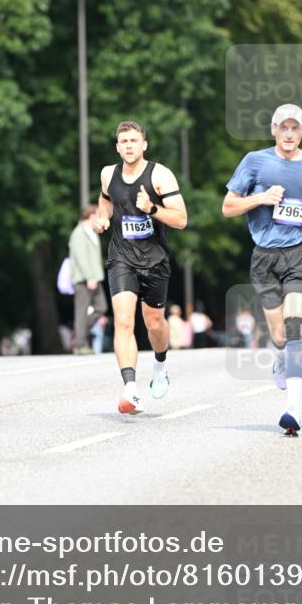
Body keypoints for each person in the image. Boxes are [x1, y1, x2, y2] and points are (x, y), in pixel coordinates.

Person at [222, 104, 302, 436]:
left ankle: (293, 409)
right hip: (265, 256)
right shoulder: (255, 161)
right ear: (273, 129)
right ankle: (281, 356)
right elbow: (227, 207)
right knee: (279, 335)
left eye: (294, 128)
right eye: (283, 127)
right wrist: (261, 199)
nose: (288, 134)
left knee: (295, 325)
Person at [94, 120, 188, 415]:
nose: (129, 146)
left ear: (144, 144)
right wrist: (103, 218)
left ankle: (160, 364)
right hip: (121, 257)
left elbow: (182, 219)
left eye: (134, 141)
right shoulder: (108, 174)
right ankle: (130, 389)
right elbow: (105, 200)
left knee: (153, 323)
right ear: (117, 147)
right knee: (123, 321)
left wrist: (153, 209)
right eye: (124, 142)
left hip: (154, 260)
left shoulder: (160, 175)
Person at [68, 205, 107, 354]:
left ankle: (80, 332)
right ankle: (79, 344)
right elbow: (81, 258)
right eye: (97, 214)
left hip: (94, 277)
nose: (99, 217)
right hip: (84, 279)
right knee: (81, 311)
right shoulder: (79, 233)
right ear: (91, 215)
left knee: (101, 307)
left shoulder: (91, 232)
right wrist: (89, 277)